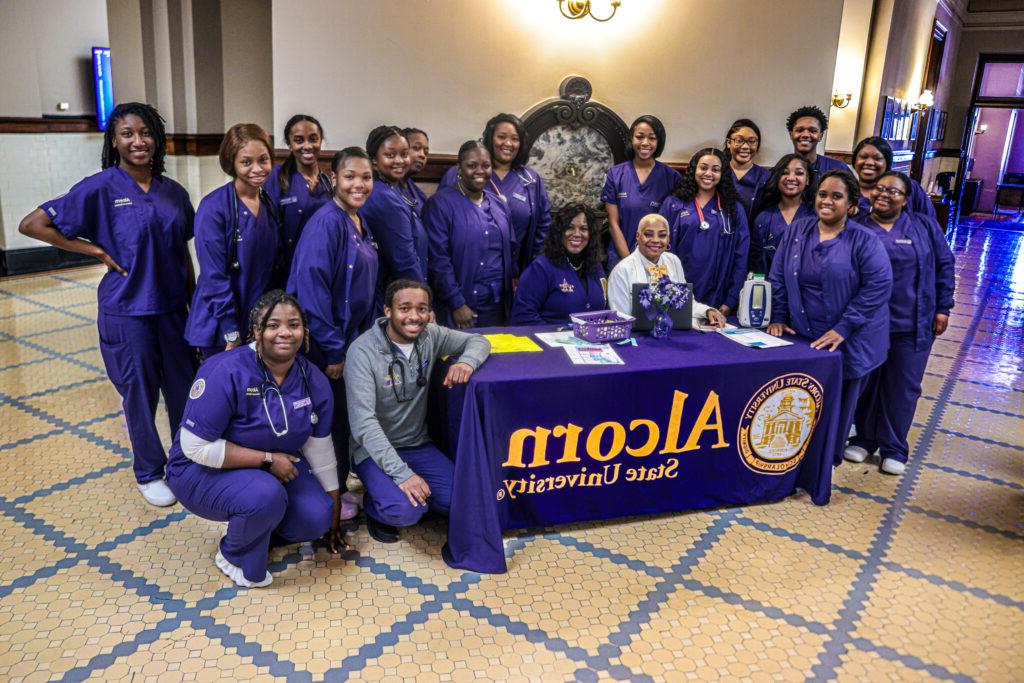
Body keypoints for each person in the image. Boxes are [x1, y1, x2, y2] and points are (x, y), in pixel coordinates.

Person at [18, 102, 196, 507]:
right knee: (139, 394)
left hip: (171, 309)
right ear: (113, 141)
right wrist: (93, 250)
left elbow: (182, 253)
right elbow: (32, 224)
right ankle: (149, 471)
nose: (138, 141)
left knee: (184, 392)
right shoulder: (100, 187)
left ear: (157, 139)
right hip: (126, 311)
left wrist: (193, 307)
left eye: (146, 132)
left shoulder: (173, 192)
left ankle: (184, 465)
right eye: (128, 134)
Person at [167, 291, 342, 587]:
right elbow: (194, 446)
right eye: (273, 325)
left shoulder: (312, 379)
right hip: (199, 468)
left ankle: (256, 524)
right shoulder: (224, 370)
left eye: (294, 324)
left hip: (272, 469)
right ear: (256, 332)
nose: (285, 333)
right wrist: (267, 460)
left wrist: (334, 517)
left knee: (315, 516)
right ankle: (232, 553)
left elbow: (320, 451)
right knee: (265, 496)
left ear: (305, 332)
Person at [345, 279, 491, 543]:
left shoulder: (430, 336)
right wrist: (403, 475)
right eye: (405, 308)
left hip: (417, 444)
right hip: (372, 451)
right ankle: (375, 506)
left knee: (463, 500)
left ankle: (411, 492)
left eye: (422, 309)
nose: (414, 317)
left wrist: (467, 363)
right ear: (387, 310)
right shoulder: (362, 352)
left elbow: (478, 340)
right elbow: (363, 425)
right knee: (406, 511)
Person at [767, 169, 893, 467]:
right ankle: (795, 459)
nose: (827, 201)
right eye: (823, 194)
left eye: (837, 196)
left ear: (851, 205)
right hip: (804, 334)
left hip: (850, 337)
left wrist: (844, 327)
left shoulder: (864, 240)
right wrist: (779, 316)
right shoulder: (798, 230)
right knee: (804, 399)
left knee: (839, 404)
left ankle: (824, 463)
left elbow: (878, 286)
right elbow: (778, 276)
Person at [288, 147, 378, 518]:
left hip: (352, 340)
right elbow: (312, 292)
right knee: (330, 422)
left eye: (366, 177)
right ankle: (330, 498)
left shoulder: (358, 219)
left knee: (345, 418)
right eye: (351, 176)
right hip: (329, 348)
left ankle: (340, 488)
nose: (359, 184)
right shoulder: (327, 222)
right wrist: (334, 350)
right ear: (334, 179)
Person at [846, 171, 955, 475]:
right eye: (880, 189)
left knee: (903, 387)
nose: (884, 194)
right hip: (869, 324)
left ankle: (894, 447)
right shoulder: (856, 226)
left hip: (913, 323)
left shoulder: (923, 226)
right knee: (867, 384)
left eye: (893, 191)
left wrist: (943, 306)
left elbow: (945, 264)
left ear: (906, 199)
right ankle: (865, 439)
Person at [186, 123, 281, 359]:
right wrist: (231, 331)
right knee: (223, 391)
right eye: (246, 162)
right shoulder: (214, 208)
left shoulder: (269, 205)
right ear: (232, 163)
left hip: (256, 321)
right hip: (220, 326)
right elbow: (213, 276)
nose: (257, 169)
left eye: (263, 160)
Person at [440, 114, 552, 273]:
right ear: (490, 139)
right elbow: (440, 224)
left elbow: (543, 228)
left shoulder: (531, 180)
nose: (508, 143)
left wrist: (533, 269)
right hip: (463, 269)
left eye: (515, 139)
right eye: (501, 137)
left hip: (513, 274)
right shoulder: (459, 174)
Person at [425, 140, 514, 328]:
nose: (479, 171)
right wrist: (456, 302)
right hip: (462, 304)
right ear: (459, 168)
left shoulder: (500, 205)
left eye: (486, 165)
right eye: (472, 165)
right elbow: (438, 260)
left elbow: (511, 249)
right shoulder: (440, 204)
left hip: (498, 304)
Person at [661, 148, 750, 315]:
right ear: (694, 169)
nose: (708, 173)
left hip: (718, 297)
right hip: (677, 292)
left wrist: (731, 300)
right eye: (703, 167)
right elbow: (658, 253)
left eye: (715, 170)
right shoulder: (673, 204)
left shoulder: (733, 210)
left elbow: (741, 256)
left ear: (723, 174)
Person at [608, 214, 727, 328]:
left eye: (662, 235)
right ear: (638, 236)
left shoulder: (673, 261)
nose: (655, 240)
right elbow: (620, 319)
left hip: (673, 335)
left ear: (669, 239)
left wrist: (707, 311)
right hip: (638, 339)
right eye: (648, 234)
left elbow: (686, 304)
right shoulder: (621, 271)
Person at [601, 115, 681, 268]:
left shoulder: (672, 178)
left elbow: (672, 226)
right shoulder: (615, 175)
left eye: (652, 138)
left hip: (657, 260)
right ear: (631, 139)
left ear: (659, 142)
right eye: (640, 137)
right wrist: (630, 263)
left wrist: (652, 260)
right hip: (621, 258)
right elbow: (613, 223)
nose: (645, 143)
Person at [510, 204, 607, 325]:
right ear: (559, 231)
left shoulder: (596, 267)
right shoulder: (540, 268)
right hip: (549, 341)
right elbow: (522, 316)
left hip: (594, 341)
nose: (577, 234)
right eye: (570, 227)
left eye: (583, 229)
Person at [264, 114, 332, 282]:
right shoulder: (276, 178)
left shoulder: (328, 183)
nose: (307, 146)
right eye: (299, 140)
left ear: (321, 141)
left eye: (313, 139)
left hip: (320, 268)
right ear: (289, 143)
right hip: (285, 271)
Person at [359, 126, 428, 283]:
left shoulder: (395, 188)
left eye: (404, 154)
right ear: (374, 160)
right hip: (399, 290)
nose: (399, 161)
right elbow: (404, 261)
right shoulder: (382, 196)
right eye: (390, 155)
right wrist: (422, 299)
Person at [748, 154, 815, 275]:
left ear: (808, 180)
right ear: (777, 178)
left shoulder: (816, 217)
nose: (791, 178)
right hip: (771, 289)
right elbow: (756, 266)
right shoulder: (763, 219)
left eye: (799, 173)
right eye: (785, 172)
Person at [851, 136, 936, 219]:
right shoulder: (846, 191)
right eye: (863, 157)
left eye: (877, 158)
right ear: (855, 161)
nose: (869, 162)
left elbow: (929, 223)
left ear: (887, 163)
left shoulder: (909, 188)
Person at [724, 119, 770, 218]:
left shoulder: (766, 177)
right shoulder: (718, 173)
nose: (745, 146)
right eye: (739, 141)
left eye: (752, 141)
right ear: (728, 143)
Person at [786, 106, 847, 178]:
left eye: (812, 131)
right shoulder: (782, 169)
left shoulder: (838, 168)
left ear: (820, 136)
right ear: (791, 135)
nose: (805, 135)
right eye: (799, 130)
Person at [403, 127, 430, 208]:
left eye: (426, 152)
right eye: (416, 148)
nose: (422, 155)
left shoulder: (418, 194)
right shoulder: (384, 189)